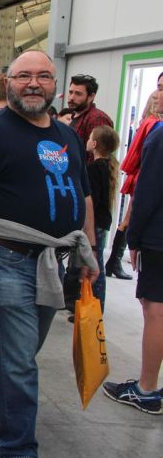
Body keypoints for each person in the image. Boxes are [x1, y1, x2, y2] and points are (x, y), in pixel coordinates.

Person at [0, 51, 98, 458]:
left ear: (55, 84)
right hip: (4, 255)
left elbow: (84, 196)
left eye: (44, 76)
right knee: (19, 358)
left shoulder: (68, 135)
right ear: (8, 83)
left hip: (55, 259)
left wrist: (88, 257)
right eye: (24, 76)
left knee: (18, 349)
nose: (34, 83)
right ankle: (19, 451)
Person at [103, 125, 163, 414]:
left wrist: (133, 235)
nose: (157, 94)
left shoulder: (161, 134)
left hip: (158, 237)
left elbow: (149, 189)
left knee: (156, 310)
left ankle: (146, 389)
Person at [107, 81, 163, 280]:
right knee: (128, 221)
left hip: (141, 177)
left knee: (127, 220)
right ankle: (114, 261)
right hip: (144, 178)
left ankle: (113, 261)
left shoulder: (148, 124)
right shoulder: (155, 127)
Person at [85, 125, 119, 311]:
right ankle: (94, 306)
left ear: (95, 144)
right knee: (95, 265)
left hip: (96, 221)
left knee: (94, 265)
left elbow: (93, 199)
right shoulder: (107, 167)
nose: (87, 141)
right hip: (103, 221)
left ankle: (93, 308)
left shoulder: (94, 169)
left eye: (90, 138)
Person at [67, 74, 113, 162]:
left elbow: (98, 158)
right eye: (70, 92)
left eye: (78, 94)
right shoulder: (75, 116)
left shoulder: (96, 118)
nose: (72, 97)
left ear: (91, 97)